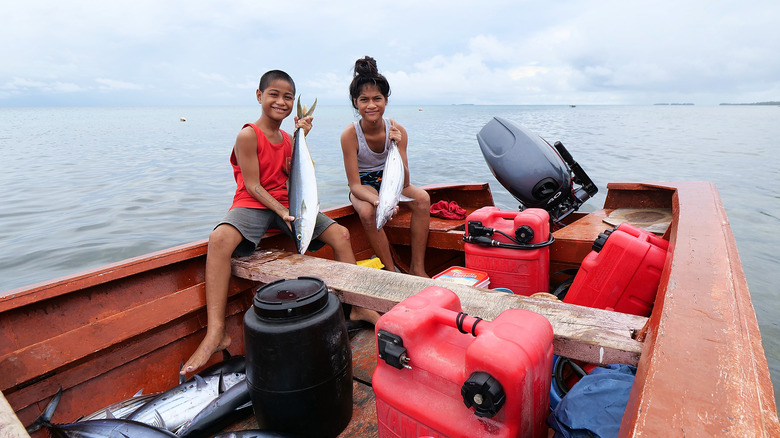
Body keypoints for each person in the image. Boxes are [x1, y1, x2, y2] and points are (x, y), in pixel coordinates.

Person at [182, 70, 377, 376]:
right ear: (259, 96)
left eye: (288, 96)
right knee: (219, 239)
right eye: (274, 94)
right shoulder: (248, 135)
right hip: (254, 203)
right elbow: (252, 185)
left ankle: (358, 304)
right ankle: (215, 332)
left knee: (341, 234)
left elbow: (292, 171)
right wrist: (281, 211)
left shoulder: (288, 138)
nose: (281, 101)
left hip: (288, 204)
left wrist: (302, 135)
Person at [340, 56, 431, 277]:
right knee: (367, 212)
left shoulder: (397, 130)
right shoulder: (349, 135)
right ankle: (391, 272)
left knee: (423, 199)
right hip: (365, 185)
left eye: (377, 98)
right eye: (364, 100)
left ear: (386, 101)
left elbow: (405, 181)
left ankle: (417, 267)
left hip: (392, 179)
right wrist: (380, 201)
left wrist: (398, 147)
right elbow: (354, 185)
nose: (371, 105)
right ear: (355, 102)